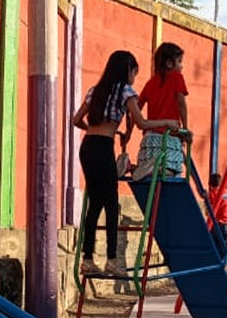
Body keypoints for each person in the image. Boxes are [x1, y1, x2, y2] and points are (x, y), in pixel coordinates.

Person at [70, 51, 180, 277]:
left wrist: (99, 130)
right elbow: (142, 122)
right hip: (103, 148)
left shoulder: (96, 90)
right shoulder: (126, 92)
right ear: (127, 70)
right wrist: (168, 122)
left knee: (95, 204)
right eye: (134, 73)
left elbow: (76, 120)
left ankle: (87, 259)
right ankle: (112, 260)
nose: (134, 78)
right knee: (111, 204)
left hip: (88, 146)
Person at [134, 42, 190, 181]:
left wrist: (130, 131)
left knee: (151, 181)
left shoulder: (151, 83)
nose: (181, 66)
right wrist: (185, 129)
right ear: (170, 63)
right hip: (168, 137)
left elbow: (137, 107)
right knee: (173, 173)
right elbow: (182, 103)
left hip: (149, 139)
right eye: (179, 61)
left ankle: (135, 167)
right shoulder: (177, 77)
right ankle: (158, 167)